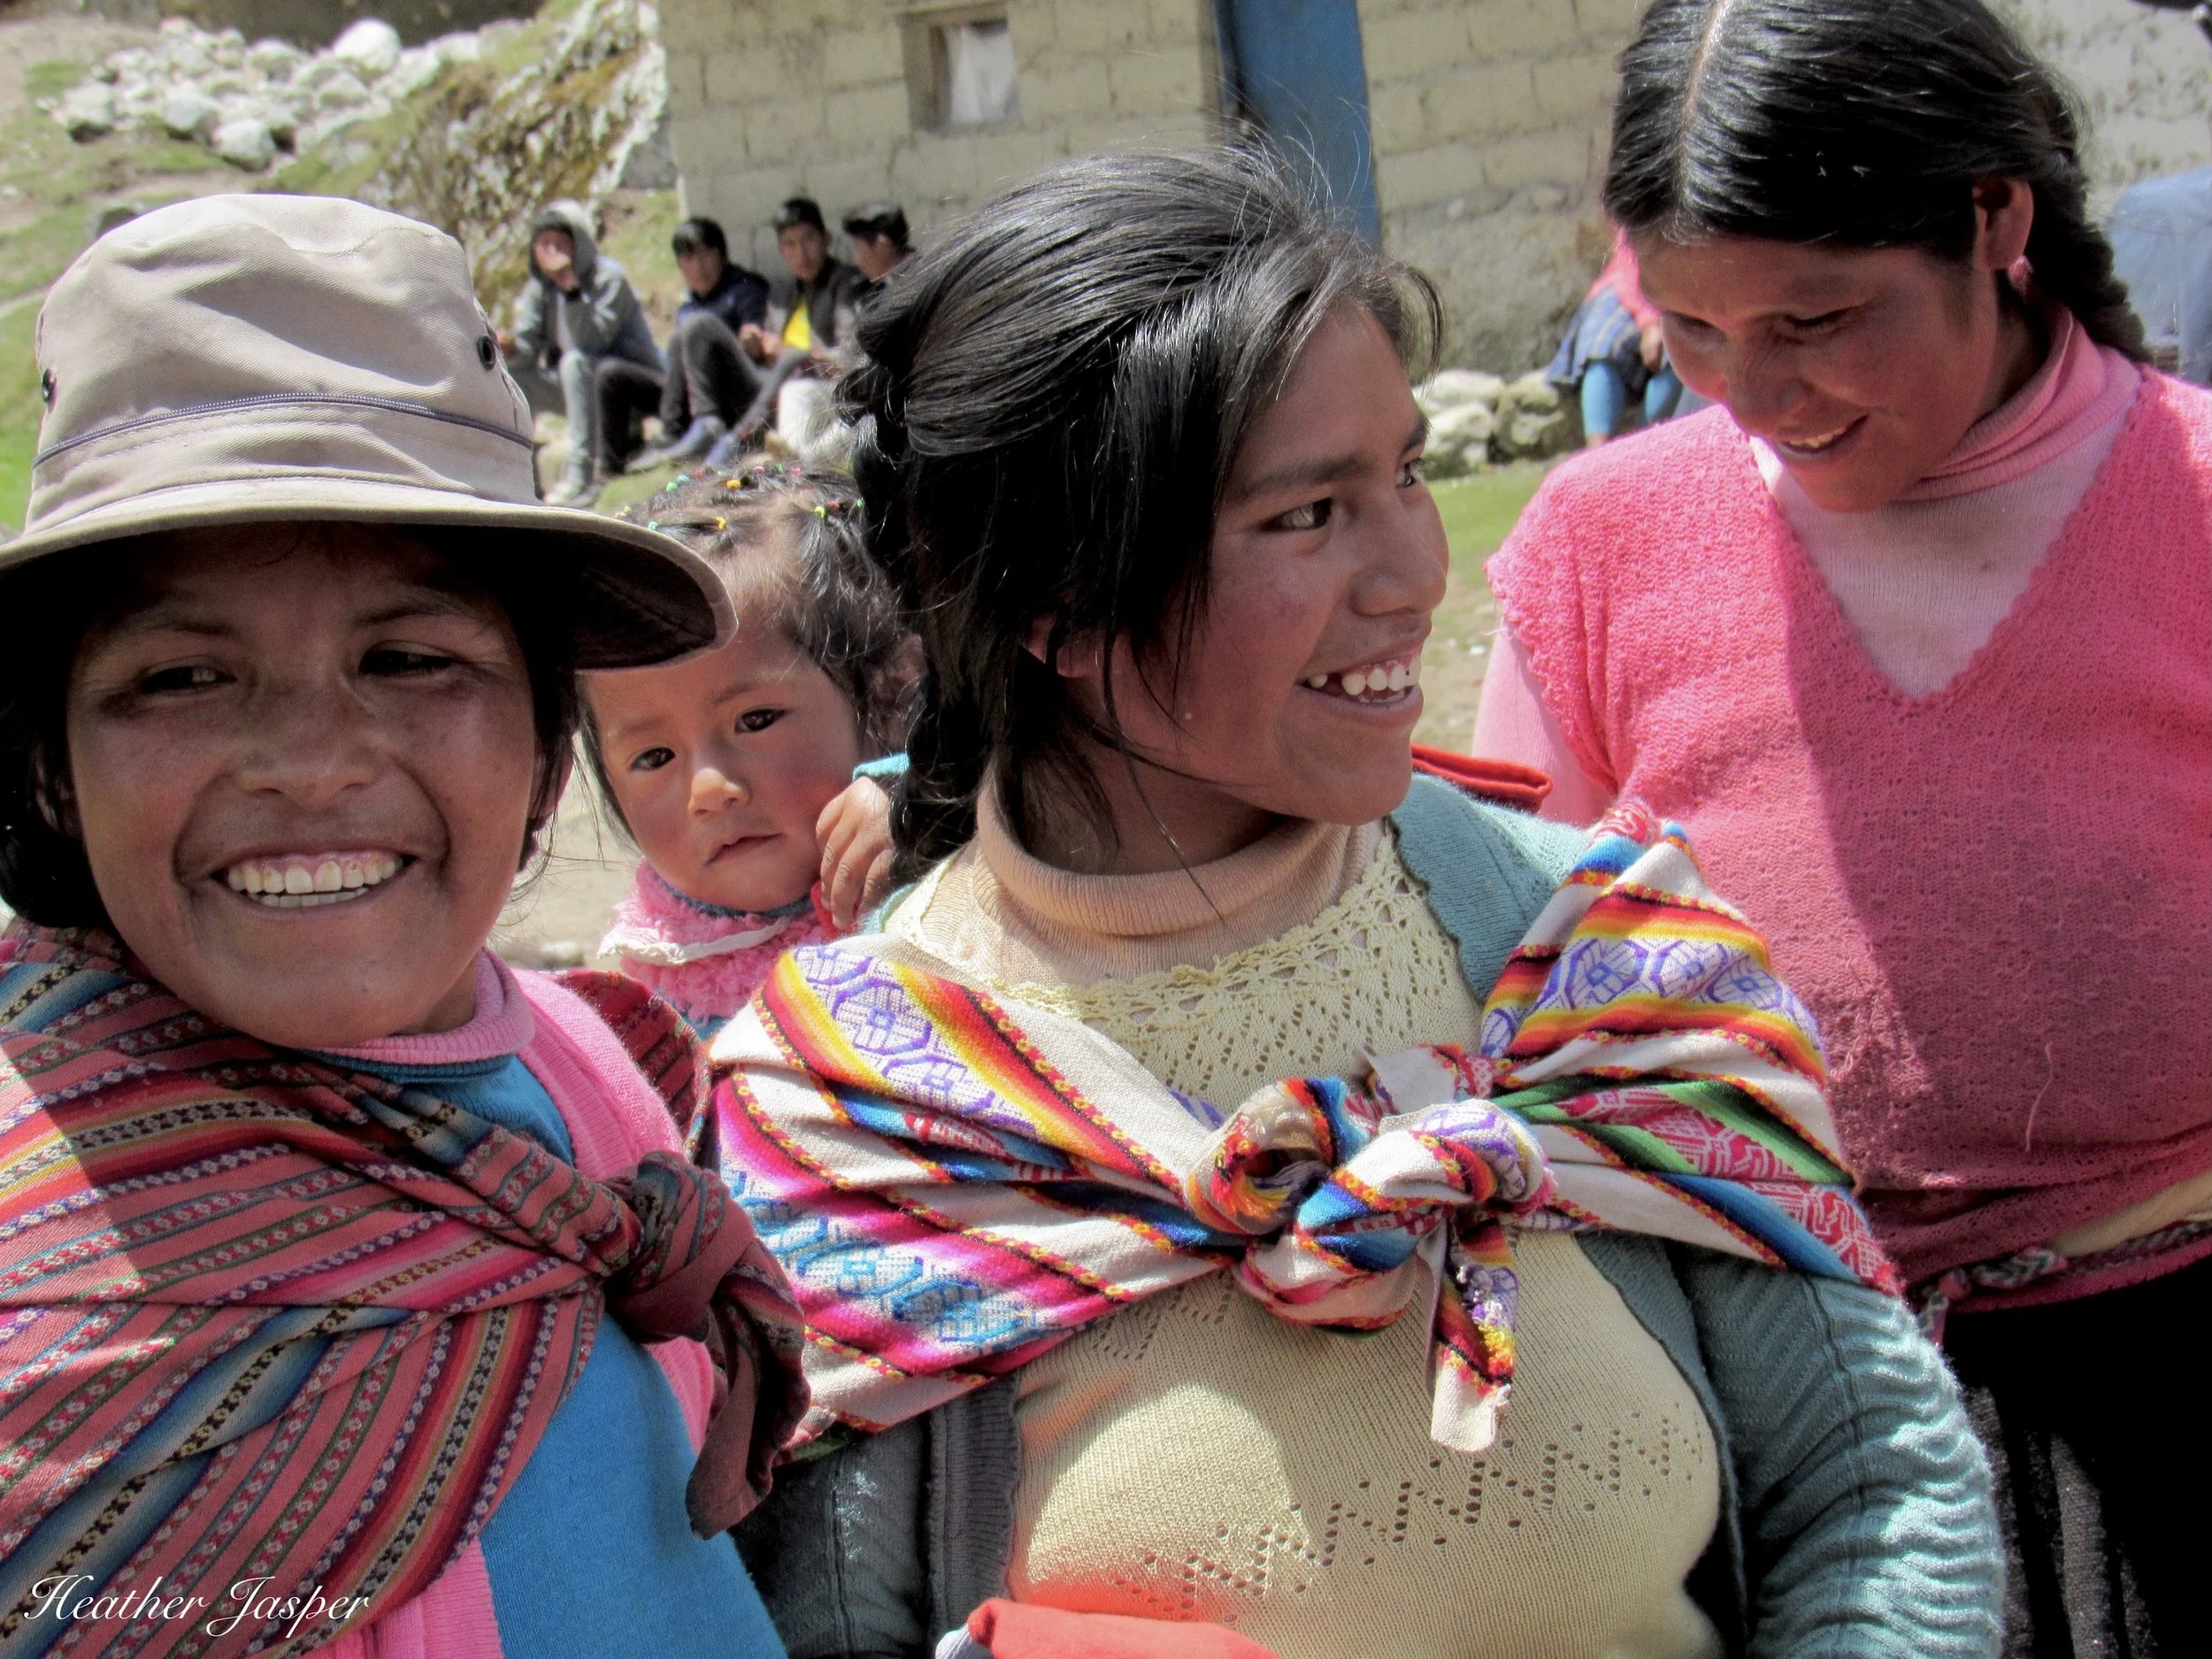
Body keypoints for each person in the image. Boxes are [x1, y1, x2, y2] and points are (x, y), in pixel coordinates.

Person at [703, 149, 2002, 1659]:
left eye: (1402, 476)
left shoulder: (1597, 968)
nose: (1414, 572)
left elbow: (1877, 1494)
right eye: (1308, 514)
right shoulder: (858, 1116)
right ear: (1054, 593)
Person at [1471, 1, 2211, 1648]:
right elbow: (1514, 964)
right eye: (1694, 329)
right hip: (1758, 1410)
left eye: (1819, 318)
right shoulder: (1601, 544)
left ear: (1993, 219)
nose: (1755, 391)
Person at [0, 195, 806, 1657]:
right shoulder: (41, 1268)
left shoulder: (583, 1061)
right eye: (182, 678)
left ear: (550, 750)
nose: (311, 761)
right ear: (50, 765)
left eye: (412, 657)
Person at [583, 465, 915, 1038]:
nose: (709, 789)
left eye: (755, 720)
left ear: (885, 691)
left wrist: (920, 801)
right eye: (654, 757)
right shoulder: (664, 961)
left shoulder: (942, 847)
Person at [499, 199, 663, 505]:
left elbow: (592, 342)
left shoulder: (608, 279)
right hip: (579, 391)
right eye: (544, 244)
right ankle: (525, 485)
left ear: (579, 243)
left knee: (574, 362)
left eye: (560, 244)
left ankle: (580, 478)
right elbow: (527, 347)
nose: (552, 253)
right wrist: (511, 348)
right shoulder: (540, 290)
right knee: (516, 375)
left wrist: (571, 290)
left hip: (625, 395)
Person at [599, 217, 777, 474]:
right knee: (612, 374)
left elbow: (758, 342)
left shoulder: (745, 288)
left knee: (698, 325)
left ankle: (705, 426)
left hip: (741, 392)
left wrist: (750, 338)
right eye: (689, 259)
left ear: (722, 255)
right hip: (695, 395)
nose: (698, 266)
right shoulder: (687, 307)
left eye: (705, 255)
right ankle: (614, 467)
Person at [714, 197, 871, 466]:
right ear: (781, 250)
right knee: (710, 331)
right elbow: (769, 354)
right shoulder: (781, 292)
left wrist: (794, 355)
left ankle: (748, 444)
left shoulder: (844, 283)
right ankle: (777, 456)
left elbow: (848, 359)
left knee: (795, 381)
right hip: (774, 386)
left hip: (822, 387)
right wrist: (756, 345)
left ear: (826, 239)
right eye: (790, 244)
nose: (801, 253)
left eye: (808, 240)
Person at [1546, 228, 1684, 444]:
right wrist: (1649, 322)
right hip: (1627, 287)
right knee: (1603, 343)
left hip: (1680, 293)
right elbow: (1629, 262)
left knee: (1681, 350)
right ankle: (1598, 454)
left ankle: (1638, 448)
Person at [841, 200, 913, 296]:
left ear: (882, 246)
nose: (857, 261)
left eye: (859, 249)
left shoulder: (914, 284)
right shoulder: (885, 285)